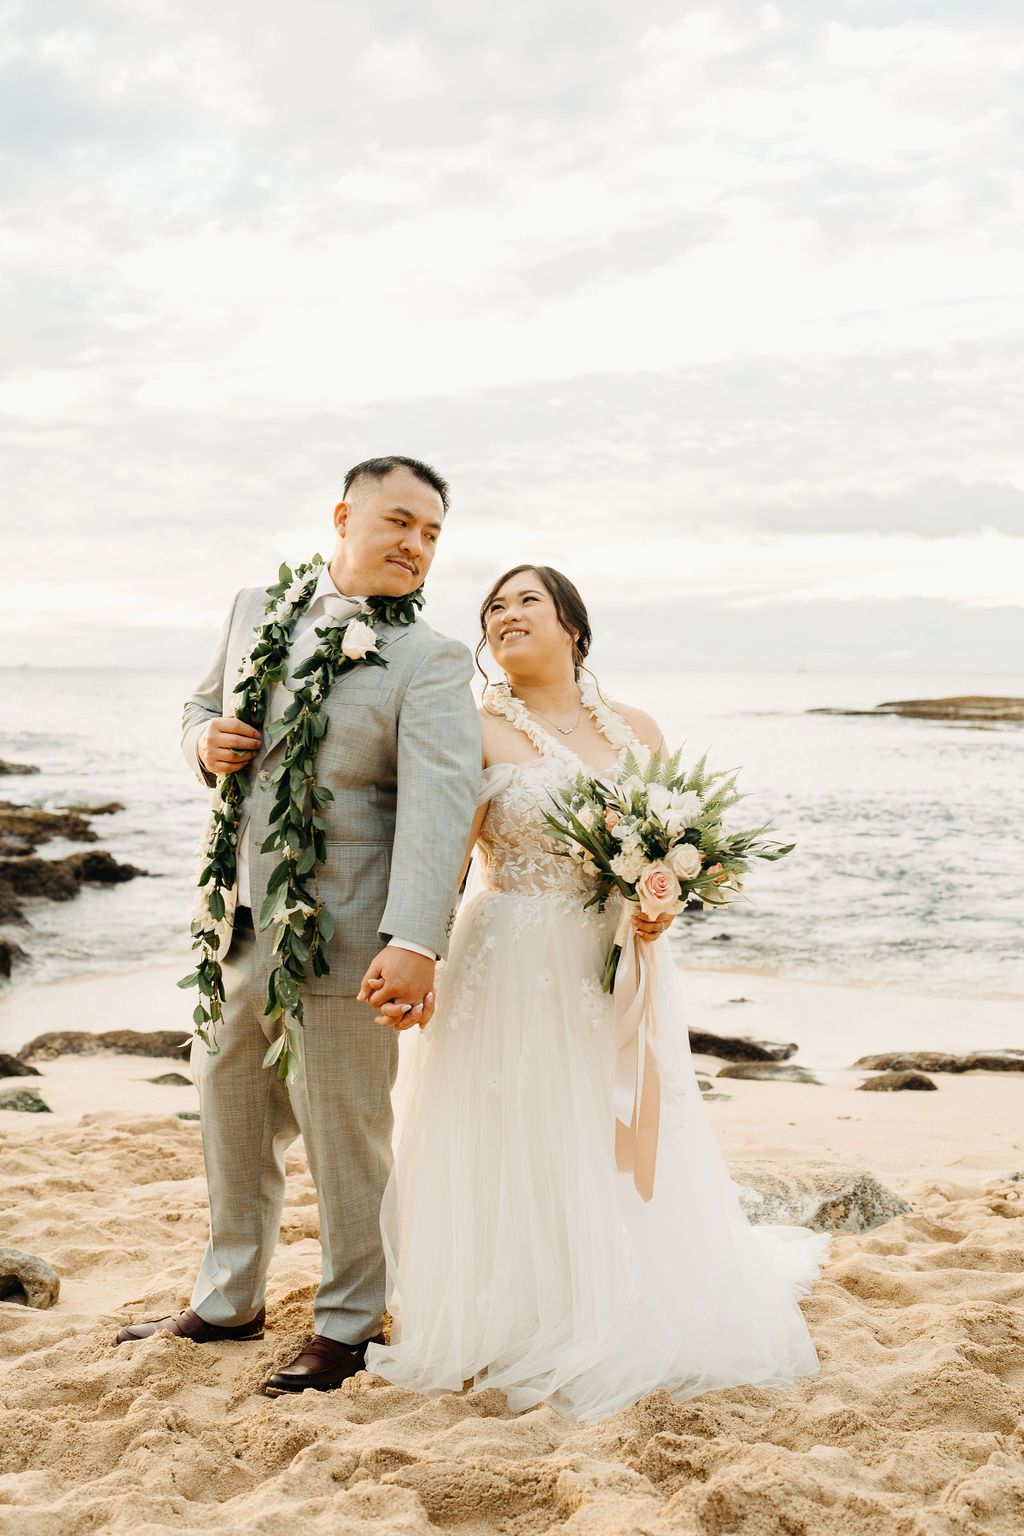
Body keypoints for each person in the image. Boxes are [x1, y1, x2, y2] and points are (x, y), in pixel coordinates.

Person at [365, 564, 827, 1421]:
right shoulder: (472, 728)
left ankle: (629, 1294)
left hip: (615, 966)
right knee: (515, 1125)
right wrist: (413, 948)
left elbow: (669, 852)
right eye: (493, 608)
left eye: (525, 601)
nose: (506, 615)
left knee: (607, 1124)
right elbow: (445, 854)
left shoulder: (638, 728)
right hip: (507, 958)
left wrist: (660, 907)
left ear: (572, 625)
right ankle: (517, 1309)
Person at [115, 456, 481, 1396]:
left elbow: (441, 810)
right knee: (230, 1121)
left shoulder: (429, 660)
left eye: (432, 533)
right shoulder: (252, 611)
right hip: (232, 928)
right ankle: (230, 1300)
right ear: (342, 517)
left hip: (349, 939)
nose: (415, 544)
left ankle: (350, 1323)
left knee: (346, 1137)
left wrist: (416, 941)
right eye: (400, 521)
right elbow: (199, 703)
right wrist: (203, 742)